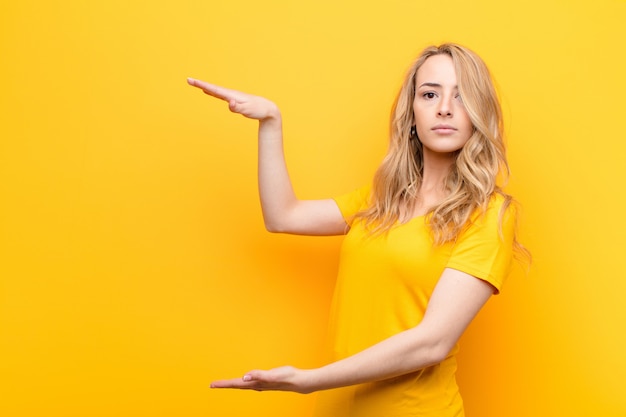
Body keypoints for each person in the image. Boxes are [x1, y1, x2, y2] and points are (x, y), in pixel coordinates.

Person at [188, 43, 528, 417]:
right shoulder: (382, 199)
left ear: (479, 114)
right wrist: (271, 122)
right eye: (430, 94)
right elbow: (283, 216)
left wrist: (310, 380)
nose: (444, 107)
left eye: (461, 97)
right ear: (412, 113)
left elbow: (432, 343)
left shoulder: (489, 214)